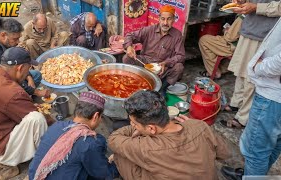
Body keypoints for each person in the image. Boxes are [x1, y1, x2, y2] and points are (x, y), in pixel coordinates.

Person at [0, 47, 53, 179]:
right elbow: (38, 115)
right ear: (20, 68)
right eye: (28, 68)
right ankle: (40, 161)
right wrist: (58, 126)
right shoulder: (12, 92)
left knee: (31, 112)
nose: (28, 73)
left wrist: (27, 105)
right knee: (37, 119)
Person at [108, 90, 230, 180]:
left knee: (121, 154)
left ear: (151, 128)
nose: (132, 125)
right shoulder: (200, 125)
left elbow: (113, 140)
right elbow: (224, 153)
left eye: (134, 123)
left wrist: (137, 129)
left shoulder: (147, 147)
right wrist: (192, 125)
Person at [221, 18, 281, 178]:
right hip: (275, 94)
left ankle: (252, 174)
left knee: (256, 150)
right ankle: (250, 175)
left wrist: (258, 67)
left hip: (272, 96)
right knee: (272, 145)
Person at [29, 92, 119, 180]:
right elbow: (104, 173)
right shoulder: (90, 143)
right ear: (95, 116)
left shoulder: (57, 126)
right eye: (101, 117)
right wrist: (117, 162)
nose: (100, 121)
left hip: (34, 176)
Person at [221, 0, 281, 128]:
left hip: (262, 35)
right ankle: (235, 103)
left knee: (251, 78)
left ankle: (242, 118)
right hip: (248, 29)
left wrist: (256, 7)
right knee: (240, 71)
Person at [0, 18, 49, 98]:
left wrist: (28, 77)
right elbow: (9, 81)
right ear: (3, 35)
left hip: (6, 76)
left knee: (36, 75)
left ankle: (27, 94)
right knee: (19, 92)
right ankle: (22, 99)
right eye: (15, 39)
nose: (18, 42)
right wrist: (36, 92)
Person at [122, 5, 185, 96]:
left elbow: (181, 56)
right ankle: (134, 82)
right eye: (163, 19)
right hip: (145, 63)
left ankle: (162, 88)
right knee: (126, 58)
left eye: (169, 19)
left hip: (163, 67)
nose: (165, 23)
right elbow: (130, 35)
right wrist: (129, 47)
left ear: (174, 20)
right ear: (158, 19)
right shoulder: (149, 30)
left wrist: (166, 63)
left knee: (179, 67)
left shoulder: (177, 35)